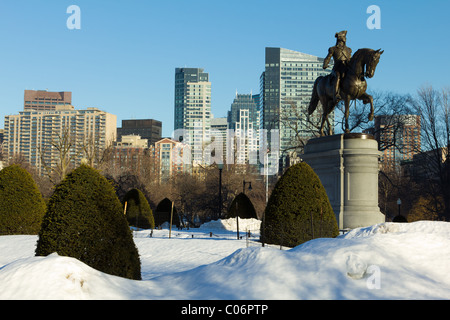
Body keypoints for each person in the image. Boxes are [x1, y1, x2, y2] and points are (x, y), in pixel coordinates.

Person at [323, 30, 352, 104]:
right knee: (338, 76)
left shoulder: (348, 50)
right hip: (337, 68)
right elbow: (328, 58)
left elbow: (350, 60)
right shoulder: (333, 49)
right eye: (343, 37)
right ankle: (336, 94)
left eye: (345, 37)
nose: (344, 39)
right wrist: (325, 64)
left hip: (346, 68)